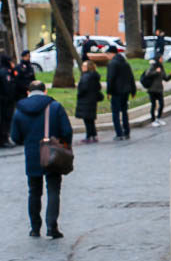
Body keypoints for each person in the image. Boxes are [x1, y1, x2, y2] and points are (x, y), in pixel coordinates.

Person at [11, 80, 72, 238]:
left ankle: (35, 228)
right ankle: (52, 226)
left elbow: (15, 137)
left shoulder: (19, 110)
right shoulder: (55, 106)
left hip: (31, 154)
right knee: (53, 190)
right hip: (52, 154)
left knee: (34, 192)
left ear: (28, 93)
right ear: (45, 91)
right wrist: (64, 145)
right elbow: (67, 131)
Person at [106, 46, 136, 140]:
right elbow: (131, 77)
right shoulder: (125, 63)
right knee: (124, 112)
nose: (107, 56)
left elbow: (110, 79)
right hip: (125, 91)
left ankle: (119, 133)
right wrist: (133, 90)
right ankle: (126, 131)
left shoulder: (112, 64)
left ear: (112, 53)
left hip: (116, 91)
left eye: (108, 54)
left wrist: (109, 91)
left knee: (115, 113)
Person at [75, 60, 103, 143]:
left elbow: (83, 88)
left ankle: (89, 136)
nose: (82, 67)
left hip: (85, 100)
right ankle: (93, 135)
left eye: (84, 66)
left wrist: (79, 94)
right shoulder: (94, 76)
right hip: (92, 100)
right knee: (91, 119)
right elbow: (98, 87)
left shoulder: (86, 77)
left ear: (88, 67)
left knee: (87, 120)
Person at [142, 58, 171, 127]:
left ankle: (158, 118)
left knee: (161, 104)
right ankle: (153, 120)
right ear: (158, 59)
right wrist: (156, 71)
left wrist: (170, 75)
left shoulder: (161, 67)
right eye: (161, 58)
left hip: (159, 89)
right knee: (153, 105)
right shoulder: (153, 66)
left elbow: (165, 78)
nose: (162, 59)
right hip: (152, 90)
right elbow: (147, 74)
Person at [0, 54, 15, 147]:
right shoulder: (5, 73)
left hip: (4, 100)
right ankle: (4, 139)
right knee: (5, 120)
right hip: (5, 101)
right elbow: (7, 88)